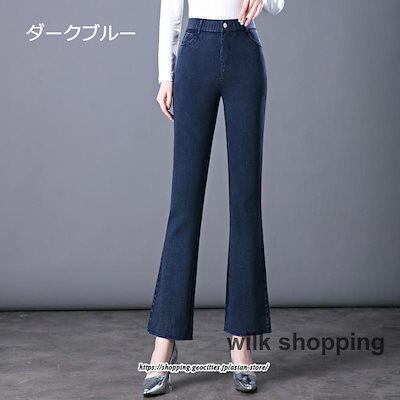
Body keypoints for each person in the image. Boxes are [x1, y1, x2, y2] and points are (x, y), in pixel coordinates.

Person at [143, 0, 284, 395]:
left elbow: (278, 5)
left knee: (245, 203)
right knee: (184, 205)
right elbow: (171, 9)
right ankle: (164, 345)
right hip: (195, 51)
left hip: (244, 49)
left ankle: (242, 345)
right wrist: (165, 75)